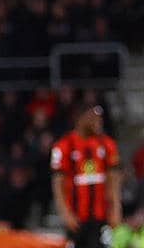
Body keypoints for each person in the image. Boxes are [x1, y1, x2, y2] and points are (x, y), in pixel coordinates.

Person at [51, 103, 121, 248]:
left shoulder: (107, 144)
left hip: (101, 215)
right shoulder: (64, 145)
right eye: (93, 118)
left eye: (99, 118)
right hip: (76, 217)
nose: (98, 122)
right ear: (80, 118)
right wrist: (65, 212)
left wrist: (115, 209)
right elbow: (58, 182)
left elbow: (113, 180)